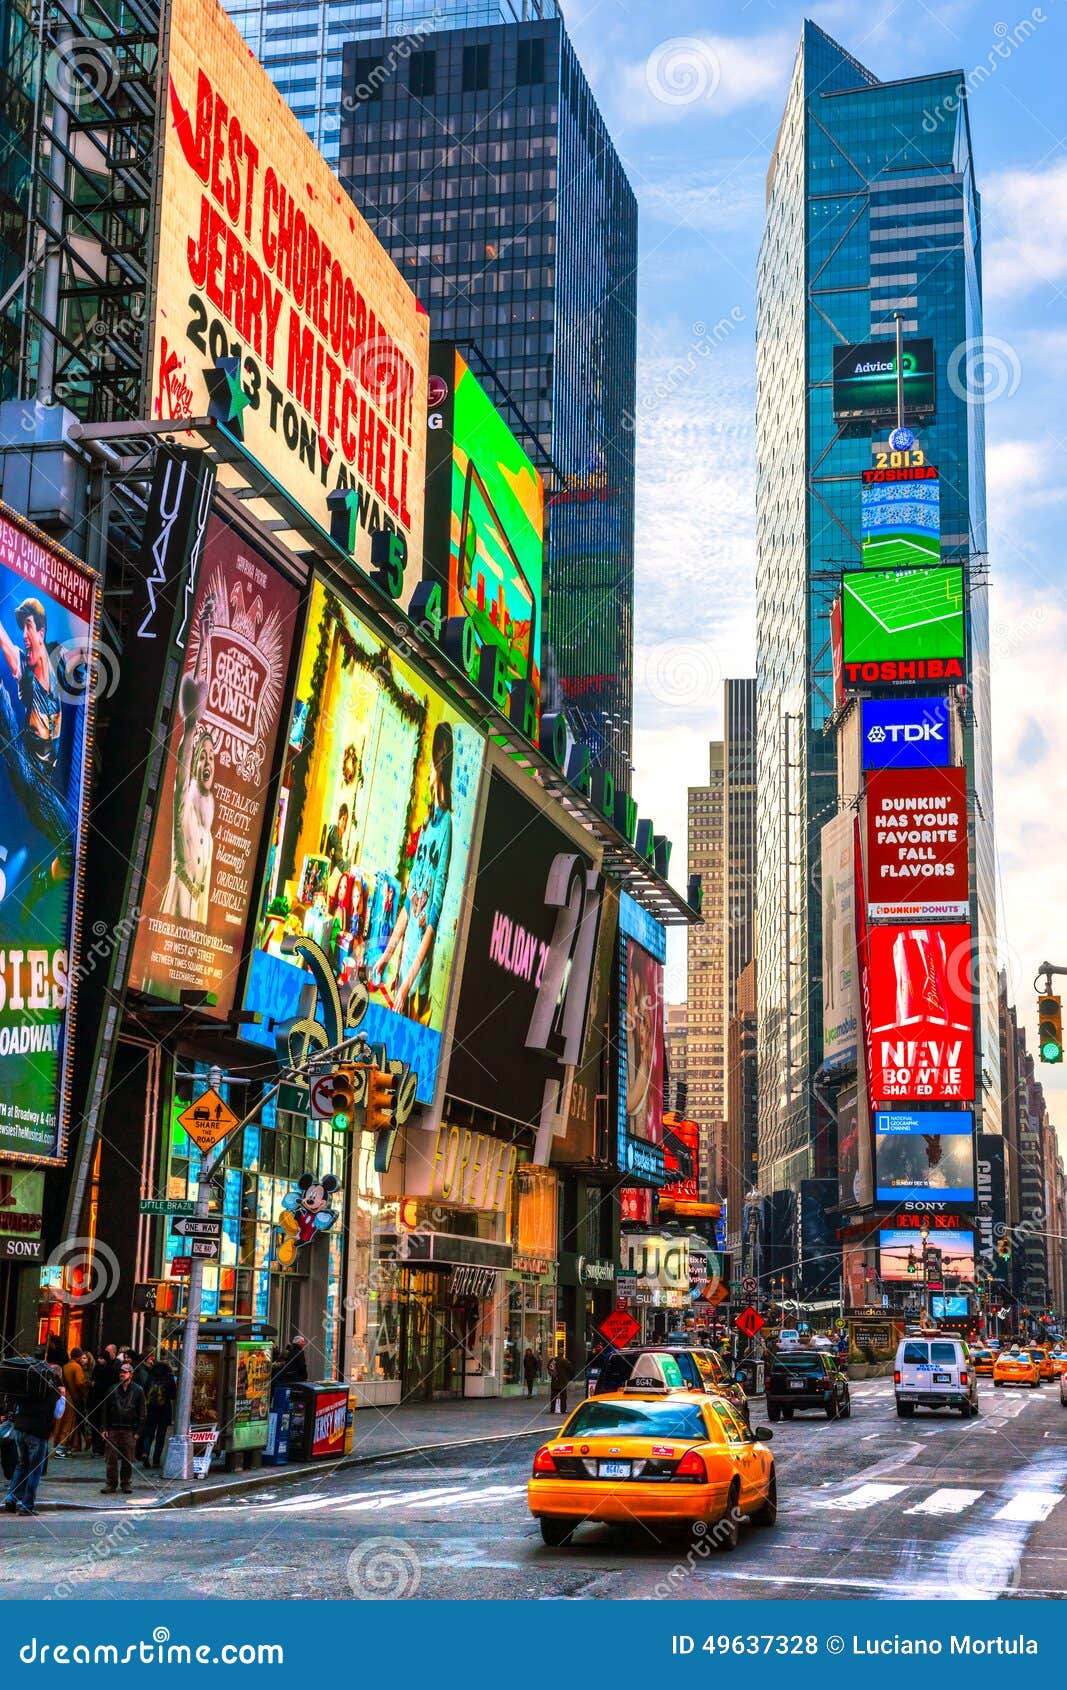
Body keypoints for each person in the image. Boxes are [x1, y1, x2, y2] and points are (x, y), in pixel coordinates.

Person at [370, 722, 453, 1021]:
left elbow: (432, 917)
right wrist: (387, 956)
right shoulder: (427, 823)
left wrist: (407, 983)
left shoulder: (446, 828)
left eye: (432, 762)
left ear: (439, 766)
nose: (428, 768)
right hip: (403, 977)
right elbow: (408, 904)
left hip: (416, 988)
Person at [0, 596, 73, 916]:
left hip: (39, 787)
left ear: (41, 632)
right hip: (26, 770)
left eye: (29, 627)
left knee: (72, 852)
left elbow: (34, 653)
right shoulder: (27, 668)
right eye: (23, 629)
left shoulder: (46, 664)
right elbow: (7, 643)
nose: (24, 635)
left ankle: (44, 879)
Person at [4, 1363, 65, 1517]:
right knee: (34, 1469)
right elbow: (58, 1414)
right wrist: (62, 1396)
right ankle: (27, 1505)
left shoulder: (28, 1387)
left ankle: (11, 1497)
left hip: (20, 1429)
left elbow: (17, 1406)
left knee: (21, 1465)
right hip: (37, 1433)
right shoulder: (53, 1393)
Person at [100, 1361, 145, 1496]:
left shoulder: (138, 1390)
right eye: (121, 1372)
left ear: (130, 1374)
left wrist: (138, 1432)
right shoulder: (112, 1389)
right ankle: (110, 1483)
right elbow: (105, 1410)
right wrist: (103, 1428)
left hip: (129, 1429)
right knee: (111, 1459)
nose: (122, 1374)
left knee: (127, 1459)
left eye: (124, 1372)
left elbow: (142, 1413)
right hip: (113, 1428)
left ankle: (126, 1483)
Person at [140, 1360, 176, 1470]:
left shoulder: (151, 1376)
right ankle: (156, 1460)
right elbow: (173, 1395)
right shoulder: (169, 1378)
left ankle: (145, 1453)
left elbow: (145, 1391)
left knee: (149, 1433)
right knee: (161, 1436)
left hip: (151, 1410)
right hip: (164, 1410)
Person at [54, 1350, 89, 1456]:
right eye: (82, 1357)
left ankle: (65, 1447)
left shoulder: (65, 1366)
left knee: (64, 1422)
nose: (83, 1359)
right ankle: (61, 1448)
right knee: (69, 1423)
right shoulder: (76, 1367)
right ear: (77, 1357)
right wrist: (88, 1387)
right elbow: (80, 1382)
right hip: (73, 1398)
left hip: (65, 1397)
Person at [548, 1349, 574, 1415]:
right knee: (563, 1396)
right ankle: (563, 1409)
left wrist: (552, 1374)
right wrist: (568, 1377)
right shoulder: (565, 1361)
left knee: (553, 1396)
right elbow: (571, 1369)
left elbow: (548, 1367)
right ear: (563, 1354)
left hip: (555, 1381)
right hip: (563, 1381)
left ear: (558, 1353)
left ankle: (552, 1409)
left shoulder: (553, 1360)